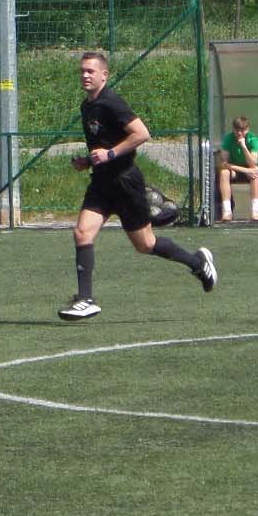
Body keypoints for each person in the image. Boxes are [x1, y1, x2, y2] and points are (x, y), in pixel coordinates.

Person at [59, 50, 215, 321]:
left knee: (145, 244)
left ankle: (197, 263)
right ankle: (86, 299)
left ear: (104, 75)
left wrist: (110, 154)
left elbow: (142, 134)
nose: (85, 75)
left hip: (125, 182)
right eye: (82, 71)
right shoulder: (87, 106)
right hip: (101, 182)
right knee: (82, 233)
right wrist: (88, 160)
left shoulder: (112, 102)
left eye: (90, 71)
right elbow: (103, 143)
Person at [215, 114, 258, 222]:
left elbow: (253, 163)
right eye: (237, 130)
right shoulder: (228, 139)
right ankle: (227, 211)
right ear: (233, 129)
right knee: (224, 173)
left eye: (242, 130)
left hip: (249, 168)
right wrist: (246, 170)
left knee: (254, 175)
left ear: (247, 129)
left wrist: (244, 147)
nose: (239, 133)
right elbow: (224, 163)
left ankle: (255, 211)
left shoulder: (253, 139)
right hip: (234, 170)